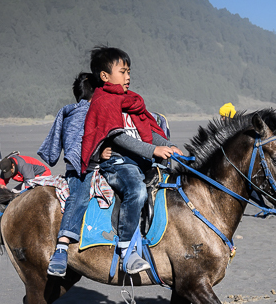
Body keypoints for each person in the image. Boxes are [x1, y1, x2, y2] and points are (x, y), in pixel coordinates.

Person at [78, 46, 182, 275]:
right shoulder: (103, 101)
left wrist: (167, 145)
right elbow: (118, 137)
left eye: (129, 71)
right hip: (117, 161)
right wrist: (154, 150)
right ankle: (126, 250)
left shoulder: (132, 101)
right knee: (137, 191)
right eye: (122, 71)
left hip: (138, 158)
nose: (128, 76)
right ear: (105, 76)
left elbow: (145, 131)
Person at [39, 73, 100, 277]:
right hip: (81, 169)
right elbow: (78, 144)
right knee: (79, 195)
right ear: (96, 92)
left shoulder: (76, 111)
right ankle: (62, 247)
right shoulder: (80, 113)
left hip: (99, 165)